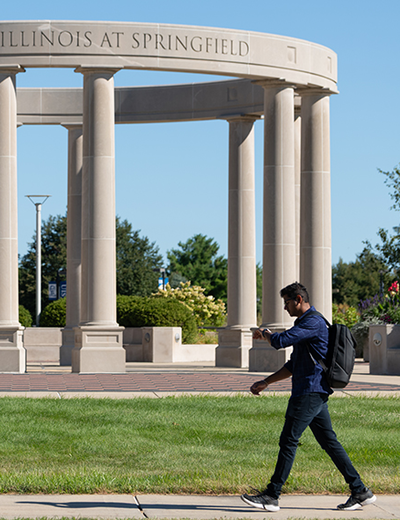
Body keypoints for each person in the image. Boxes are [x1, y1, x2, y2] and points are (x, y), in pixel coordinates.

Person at [241, 282, 376, 512]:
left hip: (309, 392)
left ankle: (272, 495)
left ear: (299, 300)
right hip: (313, 392)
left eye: (287, 303)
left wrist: (265, 333)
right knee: (330, 443)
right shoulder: (305, 323)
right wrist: (266, 382)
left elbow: (280, 341)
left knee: (288, 441)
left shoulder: (312, 322)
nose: (285, 308)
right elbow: (294, 364)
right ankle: (360, 491)